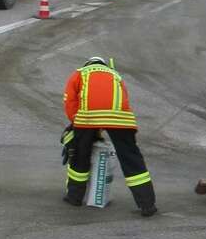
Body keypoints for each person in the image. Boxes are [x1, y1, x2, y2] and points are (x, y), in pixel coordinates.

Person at [61, 57, 158, 216]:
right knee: (131, 159)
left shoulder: (79, 73)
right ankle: (147, 205)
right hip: (120, 119)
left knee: (79, 156)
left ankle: (75, 197)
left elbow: (70, 102)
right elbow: (123, 99)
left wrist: (76, 124)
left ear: (88, 64)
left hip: (88, 118)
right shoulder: (116, 75)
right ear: (104, 65)